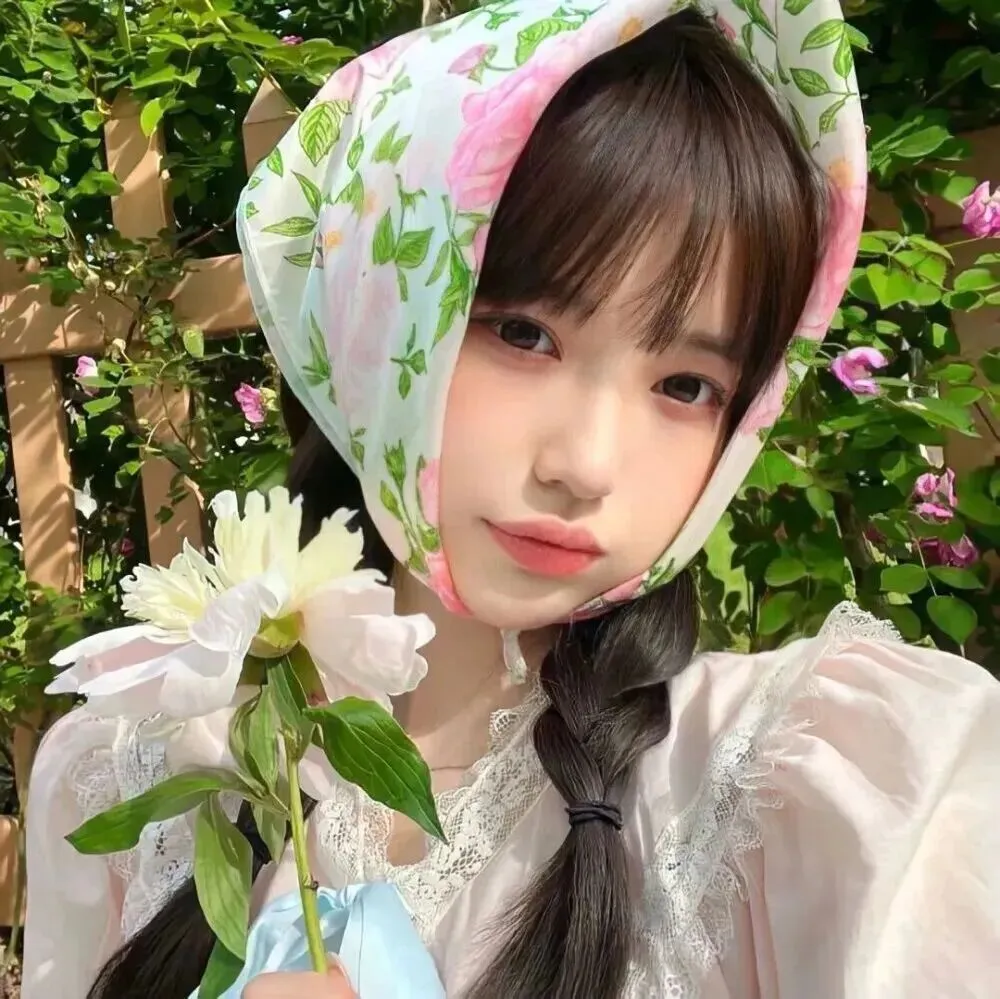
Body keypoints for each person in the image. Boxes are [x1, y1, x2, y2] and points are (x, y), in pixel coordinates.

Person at [21, 2, 1000, 998]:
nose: (587, 464)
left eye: (686, 386)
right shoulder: (132, 774)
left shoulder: (803, 795)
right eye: (524, 334)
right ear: (373, 313)